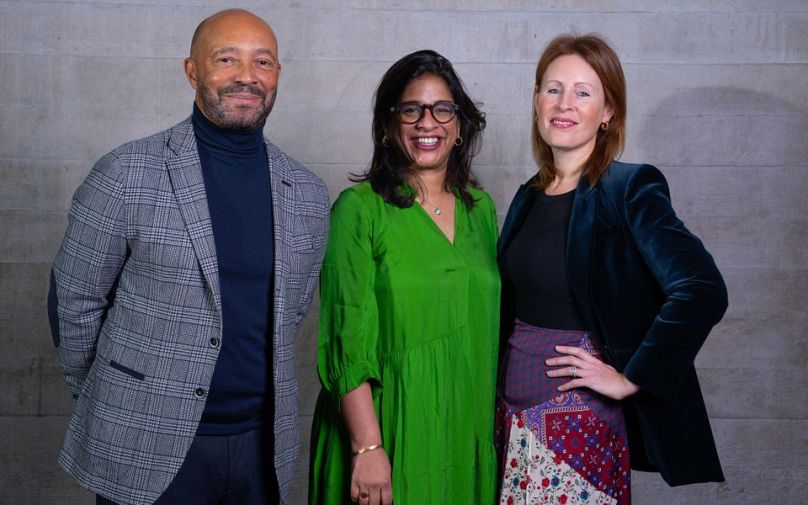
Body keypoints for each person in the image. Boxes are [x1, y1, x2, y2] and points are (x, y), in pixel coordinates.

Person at [47, 9, 329, 505]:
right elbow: (74, 301)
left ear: (278, 74)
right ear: (192, 71)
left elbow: (292, 313)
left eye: (263, 62)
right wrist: (114, 399)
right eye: (227, 59)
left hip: (261, 448)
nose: (247, 75)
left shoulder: (305, 193)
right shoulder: (126, 173)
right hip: (144, 441)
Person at [495, 33, 728, 504]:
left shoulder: (629, 187)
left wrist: (629, 377)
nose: (565, 103)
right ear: (537, 99)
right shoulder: (528, 194)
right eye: (553, 88)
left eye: (584, 91)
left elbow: (702, 288)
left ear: (608, 112)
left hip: (576, 419)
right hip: (509, 413)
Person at [308, 50, 499, 505]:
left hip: (464, 429)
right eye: (411, 109)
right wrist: (368, 447)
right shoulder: (359, 209)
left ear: (460, 125)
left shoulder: (482, 210)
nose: (426, 123)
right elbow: (345, 335)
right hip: (388, 427)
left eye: (443, 109)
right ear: (389, 125)